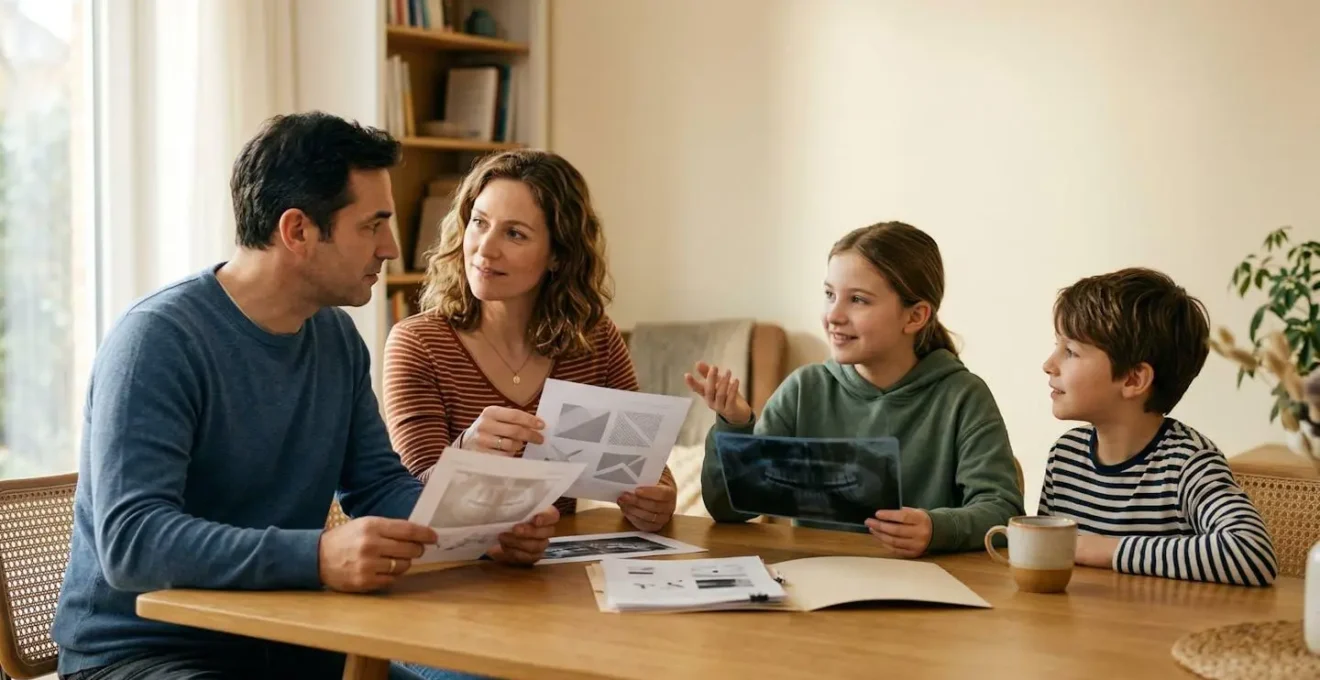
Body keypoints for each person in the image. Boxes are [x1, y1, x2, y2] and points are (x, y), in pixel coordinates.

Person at [53, 112, 558, 680]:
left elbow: (378, 486)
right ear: (297, 231)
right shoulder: (158, 342)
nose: (391, 248)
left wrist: (481, 529)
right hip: (145, 655)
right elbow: (133, 542)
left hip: (288, 638)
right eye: (373, 225)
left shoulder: (336, 337)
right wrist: (317, 556)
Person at [384, 149, 677, 533]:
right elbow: (407, 500)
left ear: (557, 255)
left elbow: (646, 467)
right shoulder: (418, 343)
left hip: (554, 561)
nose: (485, 248)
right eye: (479, 222)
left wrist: (658, 499)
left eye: (514, 234)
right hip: (457, 564)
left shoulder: (594, 339)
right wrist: (465, 452)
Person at [689, 221, 1023, 557]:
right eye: (829, 295)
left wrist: (936, 528)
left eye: (858, 300)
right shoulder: (803, 390)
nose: (834, 315)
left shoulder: (963, 397)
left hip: (921, 582)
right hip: (816, 578)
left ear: (915, 316)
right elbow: (728, 510)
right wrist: (734, 427)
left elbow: (1002, 511)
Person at [1039, 268, 1277, 586]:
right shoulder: (1064, 457)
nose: (1048, 365)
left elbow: (1251, 553)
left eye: (1070, 351)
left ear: (1133, 379)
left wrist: (1102, 550)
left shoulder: (1188, 463)